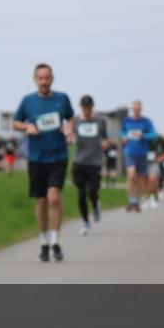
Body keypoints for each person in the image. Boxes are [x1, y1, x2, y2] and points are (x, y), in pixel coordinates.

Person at [12, 63, 75, 262]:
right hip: (37, 157)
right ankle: (44, 242)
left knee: (54, 197)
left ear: (52, 79)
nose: (44, 81)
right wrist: (27, 126)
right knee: (41, 201)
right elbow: (15, 121)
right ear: (35, 79)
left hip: (58, 156)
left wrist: (68, 128)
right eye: (40, 78)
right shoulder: (28, 101)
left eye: (47, 78)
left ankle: (55, 242)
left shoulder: (62, 99)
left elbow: (71, 117)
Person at [71, 95, 109, 235]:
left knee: (92, 192)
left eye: (89, 107)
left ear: (92, 107)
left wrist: (105, 142)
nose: (86, 110)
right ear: (81, 107)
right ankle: (86, 222)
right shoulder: (75, 121)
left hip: (94, 162)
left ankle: (95, 205)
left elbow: (105, 137)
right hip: (79, 162)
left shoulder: (100, 121)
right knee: (81, 194)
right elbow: (69, 133)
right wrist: (68, 137)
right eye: (84, 107)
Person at [120, 100, 157, 212]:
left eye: (138, 109)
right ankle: (132, 201)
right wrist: (124, 137)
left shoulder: (146, 121)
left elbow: (153, 135)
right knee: (131, 176)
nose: (136, 111)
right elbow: (122, 132)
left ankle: (136, 201)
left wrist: (143, 135)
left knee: (140, 180)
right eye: (134, 109)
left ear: (141, 109)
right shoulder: (126, 121)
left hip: (142, 153)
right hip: (130, 152)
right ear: (132, 109)